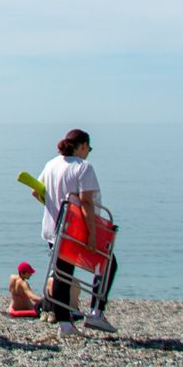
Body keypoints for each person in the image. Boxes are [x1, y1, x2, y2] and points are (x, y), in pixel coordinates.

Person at [38, 128, 118, 335]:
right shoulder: (83, 167)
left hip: (54, 228)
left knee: (62, 273)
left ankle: (65, 324)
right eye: (88, 148)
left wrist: (52, 204)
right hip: (75, 229)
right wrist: (92, 234)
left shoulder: (51, 164)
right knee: (107, 263)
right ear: (81, 146)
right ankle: (95, 312)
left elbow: (36, 190)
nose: (88, 152)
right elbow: (86, 202)